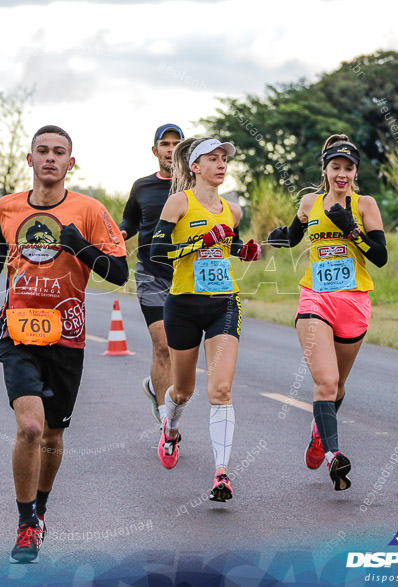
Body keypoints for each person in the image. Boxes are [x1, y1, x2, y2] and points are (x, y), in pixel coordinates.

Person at [0, 125, 128, 563]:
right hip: (18, 329)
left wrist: (79, 246)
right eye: (42, 151)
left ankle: (40, 510)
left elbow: (119, 273)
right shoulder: (6, 207)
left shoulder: (90, 210)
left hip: (67, 333)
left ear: (70, 162)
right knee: (29, 427)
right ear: (29, 160)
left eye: (58, 152)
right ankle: (26, 524)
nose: (49, 158)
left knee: (52, 435)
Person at [267, 134, 387, 491]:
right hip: (315, 299)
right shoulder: (310, 201)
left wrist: (350, 228)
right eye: (336, 167)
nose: (342, 174)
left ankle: (320, 431)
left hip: (354, 303)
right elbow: (293, 236)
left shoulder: (365, 204)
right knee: (326, 382)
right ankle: (336, 455)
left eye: (349, 168)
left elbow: (379, 256)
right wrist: (276, 238)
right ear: (325, 169)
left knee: (338, 387)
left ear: (355, 172)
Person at [148, 137, 261, 503]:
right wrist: (198, 243)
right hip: (182, 305)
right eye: (213, 159)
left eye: (224, 159)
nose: (221, 164)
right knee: (183, 391)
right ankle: (171, 427)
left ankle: (222, 474)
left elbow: (227, 245)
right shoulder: (179, 202)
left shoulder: (233, 209)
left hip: (223, 305)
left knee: (221, 390)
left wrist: (243, 251)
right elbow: (157, 251)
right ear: (195, 167)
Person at [120, 123, 184, 424]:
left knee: (181, 351)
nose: (171, 149)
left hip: (186, 274)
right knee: (162, 343)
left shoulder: (193, 187)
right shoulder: (142, 186)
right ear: (155, 150)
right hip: (150, 273)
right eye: (165, 144)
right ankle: (165, 418)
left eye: (176, 143)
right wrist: (120, 233)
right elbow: (130, 222)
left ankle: (155, 387)